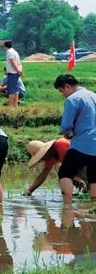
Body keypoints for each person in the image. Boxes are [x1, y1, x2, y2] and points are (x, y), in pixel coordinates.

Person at [54, 74, 96, 206]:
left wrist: (68, 135)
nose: (63, 94)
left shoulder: (73, 99)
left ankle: (67, 205)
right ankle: (93, 207)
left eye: (62, 91)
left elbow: (67, 127)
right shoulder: (94, 96)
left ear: (67, 86)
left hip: (82, 144)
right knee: (94, 177)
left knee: (65, 172)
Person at [2, 39, 24, 108]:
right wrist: (20, 70)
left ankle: (10, 106)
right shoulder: (15, 52)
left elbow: (12, 62)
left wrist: (17, 70)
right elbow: (19, 63)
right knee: (15, 89)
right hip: (16, 73)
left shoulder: (9, 52)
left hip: (12, 73)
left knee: (11, 90)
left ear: (5, 46)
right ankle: (15, 105)